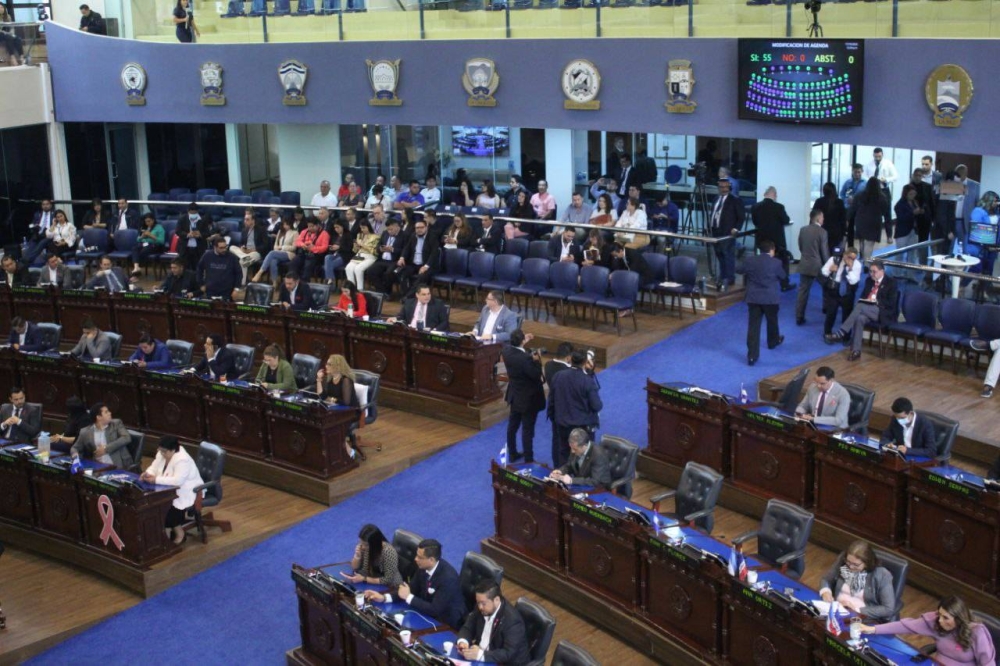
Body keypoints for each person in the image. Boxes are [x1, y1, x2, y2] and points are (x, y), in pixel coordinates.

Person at [860, 596, 996, 666]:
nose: (940, 621)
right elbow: (905, 626)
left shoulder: (977, 632)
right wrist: (873, 629)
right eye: (940, 615)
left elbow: (988, 664)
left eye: (946, 618)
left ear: (959, 619)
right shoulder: (936, 621)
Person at [363, 539, 466, 630]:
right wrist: (384, 597)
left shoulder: (448, 579)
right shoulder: (423, 567)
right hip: (426, 613)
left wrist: (408, 597)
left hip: (447, 622)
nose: (415, 559)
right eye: (416, 555)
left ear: (431, 560)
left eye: (420, 557)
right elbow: (410, 588)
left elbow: (435, 610)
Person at [825, 259, 898, 361]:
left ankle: (841, 332)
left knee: (860, 306)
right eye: (870, 271)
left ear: (882, 271)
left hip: (883, 312)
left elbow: (891, 303)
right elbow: (863, 296)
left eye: (874, 272)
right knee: (859, 318)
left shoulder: (891, 283)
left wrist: (875, 301)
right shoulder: (869, 281)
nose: (872, 274)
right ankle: (856, 351)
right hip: (868, 310)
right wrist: (866, 301)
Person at [141, 436, 204, 544]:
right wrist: (148, 473)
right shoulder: (162, 453)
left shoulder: (182, 459)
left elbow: (178, 481)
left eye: (164, 452)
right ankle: (161, 536)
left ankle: (180, 533)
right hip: (166, 489)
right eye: (160, 450)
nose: (161, 454)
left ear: (173, 450)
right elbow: (154, 467)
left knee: (167, 513)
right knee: (156, 508)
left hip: (186, 490)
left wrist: (155, 479)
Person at [818, 540, 897, 623]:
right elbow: (826, 579)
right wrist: (826, 592)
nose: (850, 567)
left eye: (856, 565)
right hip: (835, 610)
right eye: (848, 562)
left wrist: (856, 610)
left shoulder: (882, 575)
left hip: (861, 618)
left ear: (866, 563)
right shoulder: (843, 561)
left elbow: (888, 609)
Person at [456, 580, 531, 664]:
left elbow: (508, 653)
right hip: (482, 656)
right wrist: (463, 642)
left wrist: (480, 655)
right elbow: (468, 627)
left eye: (483, 603)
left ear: (496, 600)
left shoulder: (512, 621)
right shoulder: (482, 606)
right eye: (478, 602)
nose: (480, 607)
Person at [549, 351, 602, 467]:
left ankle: (560, 476)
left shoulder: (558, 376)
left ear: (571, 360)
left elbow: (551, 401)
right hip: (582, 427)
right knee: (585, 457)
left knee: (563, 453)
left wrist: (555, 419)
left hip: (562, 424)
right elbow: (597, 406)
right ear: (585, 362)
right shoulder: (587, 381)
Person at [737, 240, 785, 366]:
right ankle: (773, 342)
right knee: (772, 321)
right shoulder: (776, 263)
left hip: (753, 298)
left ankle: (752, 356)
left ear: (760, 250)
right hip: (770, 299)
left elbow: (739, 270)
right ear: (772, 250)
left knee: (753, 326)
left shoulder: (750, 260)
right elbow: (783, 276)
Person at [501, 329, 545, 464]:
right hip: (528, 399)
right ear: (521, 341)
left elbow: (515, 347)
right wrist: (537, 361)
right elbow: (536, 375)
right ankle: (528, 459)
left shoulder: (506, 351)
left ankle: (512, 453)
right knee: (527, 430)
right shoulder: (525, 359)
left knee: (512, 427)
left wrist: (523, 340)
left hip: (515, 395)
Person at [750, 187, 792, 291]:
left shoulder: (755, 207)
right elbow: (786, 220)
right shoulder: (779, 207)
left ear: (765, 194)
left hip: (762, 240)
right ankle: (784, 284)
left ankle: (762, 283)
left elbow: (755, 222)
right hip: (777, 241)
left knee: (763, 262)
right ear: (774, 195)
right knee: (783, 261)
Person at [71, 402, 133, 468]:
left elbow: (126, 438)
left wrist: (106, 448)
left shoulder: (116, 424)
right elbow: (75, 448)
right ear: (99, 417)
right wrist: (75, 457)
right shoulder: (85, 432)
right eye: (106, 412)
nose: (110, 413)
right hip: (98, 467)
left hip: (118, 465)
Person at [796, 208, 830, 325]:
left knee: (803, 292)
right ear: (818, 218)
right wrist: (828, 266)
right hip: (817, 266)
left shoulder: (803, 230)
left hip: (805, 264)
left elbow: (800, 247)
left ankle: (799, 317)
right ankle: (826, 308)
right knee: (827, 286)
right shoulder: (823, 232)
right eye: (823, 217)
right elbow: (824, 252)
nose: (824, 219)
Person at [709, 179, 744, 292]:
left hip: (728, 232)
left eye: (725, 187)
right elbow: (713, 214)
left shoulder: (735, 200)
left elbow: (741, 217)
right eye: (721, 187)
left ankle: (729, 278)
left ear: (729, 187)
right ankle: (723, 275)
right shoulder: (715, 199)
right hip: (715, 231)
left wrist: (736, 228)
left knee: (727, 255)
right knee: (719, 254)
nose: (723, 189)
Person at [820, 247, 862, 338]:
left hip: (848, 291)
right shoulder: (834, 259)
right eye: (849, 257)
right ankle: (827, 333)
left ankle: (846, 336)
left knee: (847, 315)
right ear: (844, 255)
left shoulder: (857, 265)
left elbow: (853, 281)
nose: (851, 260)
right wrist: (830, 269)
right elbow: (823, 271)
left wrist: (850, 269)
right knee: (831, 313)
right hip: (834, 289)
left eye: (853, 258)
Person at [849, 178, 891, 260]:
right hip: (874, 222)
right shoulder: (882, 197)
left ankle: (862, 258)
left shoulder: (859, 195)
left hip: (860, 221)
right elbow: (885, 211)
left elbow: (853, 208)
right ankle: (867, 262)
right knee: (869, 244)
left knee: (862, 241)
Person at [396, 217, 439, 297]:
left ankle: (408, 297)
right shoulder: (413, 236)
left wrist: (426, 266)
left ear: (426, 227)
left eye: (421, 227)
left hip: (427, 265)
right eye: (417, 228)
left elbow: (434, 253)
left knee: (420, 278)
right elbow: (407, 248)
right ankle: (406, 295)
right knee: (400, 273)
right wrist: (402, 258)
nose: (419, 230)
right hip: (413, 264)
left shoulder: (432, 236)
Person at [230, 208, 271, 285]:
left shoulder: (261, 230)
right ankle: (243, 256)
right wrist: (242, 247)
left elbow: (265, 245)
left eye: (247, 220)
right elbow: (241, 243)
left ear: (253, 220)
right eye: (245, 219)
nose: (245, 221)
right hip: (245, 252)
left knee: (243, 261)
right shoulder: (244, 230)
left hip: (255, 253)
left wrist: (252, 250)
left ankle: (242, 284)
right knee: (231, 247)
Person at [254, 218, 298, 288]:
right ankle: (274, 282)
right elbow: (275, 245)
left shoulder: (295, 233)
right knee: (273, 260)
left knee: (272, 253)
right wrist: (276, 248)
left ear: (290, 224)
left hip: (289, 254)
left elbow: (294, 248)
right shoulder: (280, 231)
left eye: (287, 224)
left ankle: (260, 272)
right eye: (284, 224)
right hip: (278, 253)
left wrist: (282, 247)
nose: (285, 226)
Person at [893, 184, 923, 282]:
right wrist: (913, 213)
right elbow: (901, 218)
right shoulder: (899, 204)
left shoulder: (914, 202)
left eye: (914, 194)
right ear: (905, 194)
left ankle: (910, 274)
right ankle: (897, 273)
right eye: (910, 194)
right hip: (902, 231)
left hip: (913, 230)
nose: (912, 196)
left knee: (913, 253)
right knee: (900, 253)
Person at [197, 237, 243, 301]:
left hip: (227, 292)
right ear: (215, 247)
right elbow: (199, 269)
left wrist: (236, 289)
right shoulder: (207, 255)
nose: (224, 249)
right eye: (221, 248)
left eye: (225, 247)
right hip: (211, 291)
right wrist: (201, 284)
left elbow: (239, 273)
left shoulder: (232, 257)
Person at [290, 217, 329, 283]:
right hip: (304, 253)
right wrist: (302, 244)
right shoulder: (304, 231)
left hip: (316, 255)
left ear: (318, 225)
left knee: (307, 265)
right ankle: (293, 280)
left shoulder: (324, 234)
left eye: (312, 226)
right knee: (294, 262)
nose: (310, 228)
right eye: (309, 226)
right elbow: (297, 242)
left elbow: (324, 247)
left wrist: (313, 248)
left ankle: (304, 283)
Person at [344, 219, 380, 289]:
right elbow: (355, 251)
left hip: (370, 256)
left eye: (364, 228)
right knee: (348, 268)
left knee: (358, 269)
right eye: (361, 228)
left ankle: (360, 289)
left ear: (368, 227)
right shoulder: (359, 235)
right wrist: (355, 246)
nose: (362, 230)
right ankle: (351, 289)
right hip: (360, 255)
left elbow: (375, 251)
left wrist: (362, 245)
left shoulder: (376, 237)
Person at [814, 182, 847, 255]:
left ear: (824, 191)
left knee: (822, 252)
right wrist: (844, 233)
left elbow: (814, 216)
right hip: (836, 232)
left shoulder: (819, 202)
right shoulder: (839, 202)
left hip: (822, 230)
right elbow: (843, 219)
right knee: (835, 253)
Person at [176, 203, 212, 269]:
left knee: (197, 267)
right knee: (184, 267)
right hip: (185, 248)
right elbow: (178, 231)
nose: (193, 214)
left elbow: (208, 233)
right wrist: (187, 234)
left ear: (197, 211)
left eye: (194, 213)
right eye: (191, 213)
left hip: (199, 248)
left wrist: (200, 234)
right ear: (188, 211)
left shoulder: (203, 219)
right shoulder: (182, 219)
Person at [23, 199, 56, 265]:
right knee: (31, 246)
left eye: (47, 204)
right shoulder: (37, 214)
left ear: (50, 205)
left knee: (41, 244)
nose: (45, 206)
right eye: (43, 204)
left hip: (48, 235)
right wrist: (34, 226)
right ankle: (24, 259)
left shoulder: (54, 214)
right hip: (38, 234)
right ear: (41, 206)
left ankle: (28, 260)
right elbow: (32, 224)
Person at [323, 218, 354, 286]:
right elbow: (333, 244)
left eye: (338, 227)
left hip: (345, 256)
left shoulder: (348, 235)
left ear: (342, 226)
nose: (336, 229)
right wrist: (332, 247)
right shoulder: (335, 235)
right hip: (336, 254)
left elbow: (349, 248)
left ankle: (330, 281)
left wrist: (339, 247)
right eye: (335, 227)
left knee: (328, 265)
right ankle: (331, 280)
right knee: (327, 257)